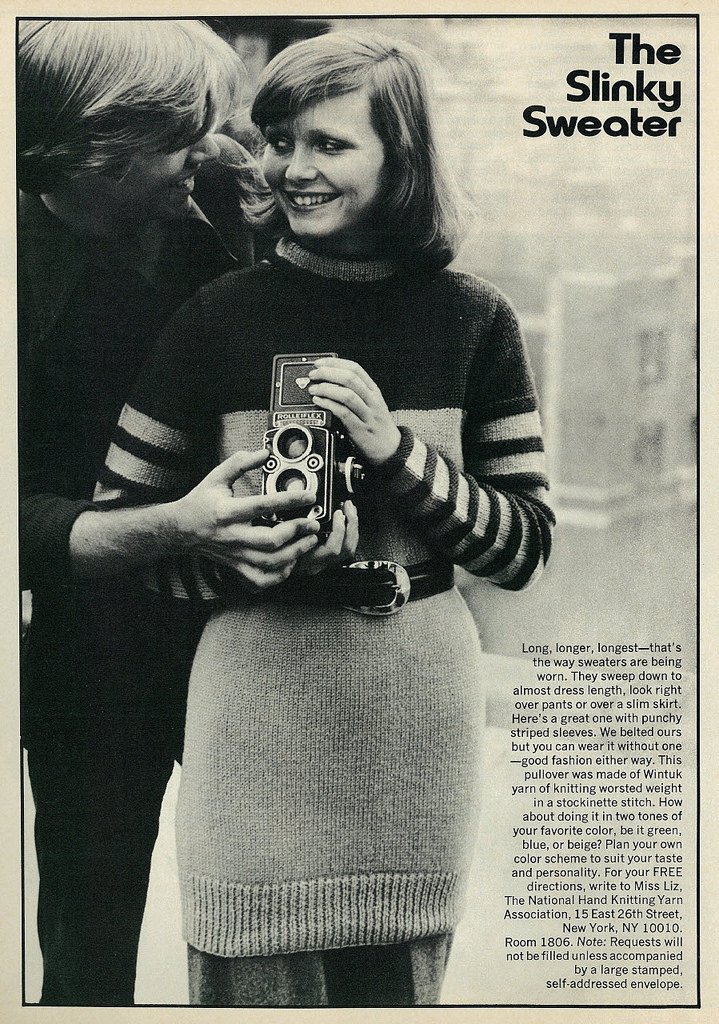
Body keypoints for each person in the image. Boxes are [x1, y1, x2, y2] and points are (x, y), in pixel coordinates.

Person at [96, 31, 555, 1007]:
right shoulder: (214, 317)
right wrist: (238, 558)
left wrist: (395, 452)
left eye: (329, 143)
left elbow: (523, 548)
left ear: (402, 154)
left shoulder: (474, 320)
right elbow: (121, 533)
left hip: (412, 725)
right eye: (279, 140)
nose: (292, 168)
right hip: (251, 717)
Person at [19, 19, 325, 1006]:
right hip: (92, 638)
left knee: (282, 903)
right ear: (100, 152)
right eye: (190, 132)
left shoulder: (216, 208)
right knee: (90, 916)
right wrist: (172, 525)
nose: (217, 147)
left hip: (248, 618)